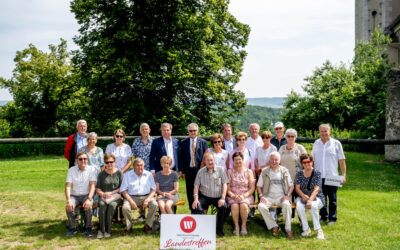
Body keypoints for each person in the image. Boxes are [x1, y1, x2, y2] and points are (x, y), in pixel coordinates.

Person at [312, 124, 346, 226]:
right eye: (321, 131)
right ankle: (323, 216)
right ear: (319, 132)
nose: (324, 133)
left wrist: (344, 175)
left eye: (325, 131)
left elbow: (342, 161)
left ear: (329, 131)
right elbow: (312, 160)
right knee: (321, 199)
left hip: (332, 176)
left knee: (332, 199)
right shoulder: (316, 143)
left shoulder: (336, 143)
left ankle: (332, 218)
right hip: (318, 175)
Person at [257, 152, 294, 239]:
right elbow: (259, 186)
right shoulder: (265, 171)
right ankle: (274, 226)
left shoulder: (284, 170)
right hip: (268, 197)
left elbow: (291, 186)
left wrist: (288, 195)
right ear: (269, 160)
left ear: (279, 160)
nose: (274, 161)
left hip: (281, 196)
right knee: (261, 206)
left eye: (276, 160)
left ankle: (288, 229)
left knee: (287, 204)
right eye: (272, 159)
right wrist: (261, 196)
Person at [192, 153, 229, 237]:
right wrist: (196, 199)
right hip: (205, 196)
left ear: (214, 160)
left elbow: (225, 184)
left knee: (223, 207)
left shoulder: (221, 170)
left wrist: (223, 198)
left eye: (211, 160)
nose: (210, 162)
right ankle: (206, 227)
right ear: (204, 162)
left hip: (218, 197)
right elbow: (196, 186)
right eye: (208, 160)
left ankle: (219, 229)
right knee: (196, 206)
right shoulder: (200, 171)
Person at [121, 158, 158, 235]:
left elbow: (153, 189)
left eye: (141, 165)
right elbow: (123, 190)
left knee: (154, 204)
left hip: (146, 196)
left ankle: (147, 225)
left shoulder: (149, 174)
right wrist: (130, 200)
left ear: (144, 166)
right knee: (125, 207)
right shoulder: (127, 175)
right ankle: (129, 227)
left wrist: (148, 199)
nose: (139, 167)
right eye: (137, 165)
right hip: (131, 196)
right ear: (133, 166)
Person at [65, 151, 96, 237]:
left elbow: (93, 186)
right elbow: (68, 187)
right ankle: (72, 228)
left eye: (85, 159)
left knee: (88, 206)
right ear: (77, 160)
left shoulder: (91, 169)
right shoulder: (71, 170)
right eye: (80, 159)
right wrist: (68, 200)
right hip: (74, 195)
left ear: (87, 160)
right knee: (69, 207)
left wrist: (89, 199)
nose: (83, 161)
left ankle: (88, 228)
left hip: (86, 195)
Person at [279, 128, 307, 220]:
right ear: (285, 137)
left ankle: (301, 219)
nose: (290, 138)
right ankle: (290, 216)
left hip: (298, 178)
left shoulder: (300, 148)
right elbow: (278, 162)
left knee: (299, 199)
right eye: (288, 136)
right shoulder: (282, 148)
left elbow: (306, 162)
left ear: (295, 137)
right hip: (285, 178)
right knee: (288, 198)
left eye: (292, 136)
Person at [295, 154, 325, 240]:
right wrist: (303, 196)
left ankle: (318, 230)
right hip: (302, 196)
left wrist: (309, 200)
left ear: (312, 162)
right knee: (299, 206)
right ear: (302, 163)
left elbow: (316, 189)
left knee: (313, 206)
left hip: (317, 197)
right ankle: (306, 229)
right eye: (304, 162)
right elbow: (297, 188)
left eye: (308, 161)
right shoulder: (299, 173)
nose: (307, 164)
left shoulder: (317, 173)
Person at [181, 123, 208, 213]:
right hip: (189, 170)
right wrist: (182, 171)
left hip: (200, 170)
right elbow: (181, 158)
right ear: (188, 132)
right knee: (189, 190)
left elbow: (206, 157)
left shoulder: (203, 142)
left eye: (194, 130)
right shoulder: (183, 142)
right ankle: (192, 209)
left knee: (201, 189)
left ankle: (200, 209)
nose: (192, 132)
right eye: (190, 131)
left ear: (197, 131)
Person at [226, 152, 255, 236]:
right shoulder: (229, 171)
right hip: (233, 195)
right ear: (233, 161)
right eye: (235, 160)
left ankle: (243, 226)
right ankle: (236, 226)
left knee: (243, 205)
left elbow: (252, 188)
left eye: (239, 159)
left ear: (243, 160)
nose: (238, 161)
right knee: (234, 205)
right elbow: (228, 189)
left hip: (246, 195)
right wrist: (233, 195)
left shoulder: (249, 171)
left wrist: (243, 196)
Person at [95, 153, 124, 238]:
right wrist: (103, 194)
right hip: (104, 196)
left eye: (111, 162)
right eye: (107, 162)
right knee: (102, 205)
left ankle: (108, 230)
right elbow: (98, 188)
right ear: (104, 163)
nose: (109, 164)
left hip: (116, 196)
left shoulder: (119, 173)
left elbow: (122, 187)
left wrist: (111, 193)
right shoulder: (101, 174)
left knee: (112, 205)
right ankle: (101, 230)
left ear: (114, 162)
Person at [131, 123, 154, 221]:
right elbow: (134, 155)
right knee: (140, 189)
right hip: (139, 169)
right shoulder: (136, 141)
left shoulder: (154, 141)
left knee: (150, 190)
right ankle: (142, 214)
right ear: (140, 131)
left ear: (149, 130)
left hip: (150, 169)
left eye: (146, 129)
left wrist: (153, 170)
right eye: (143, 129)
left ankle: (151, 213)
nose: (145, 131)